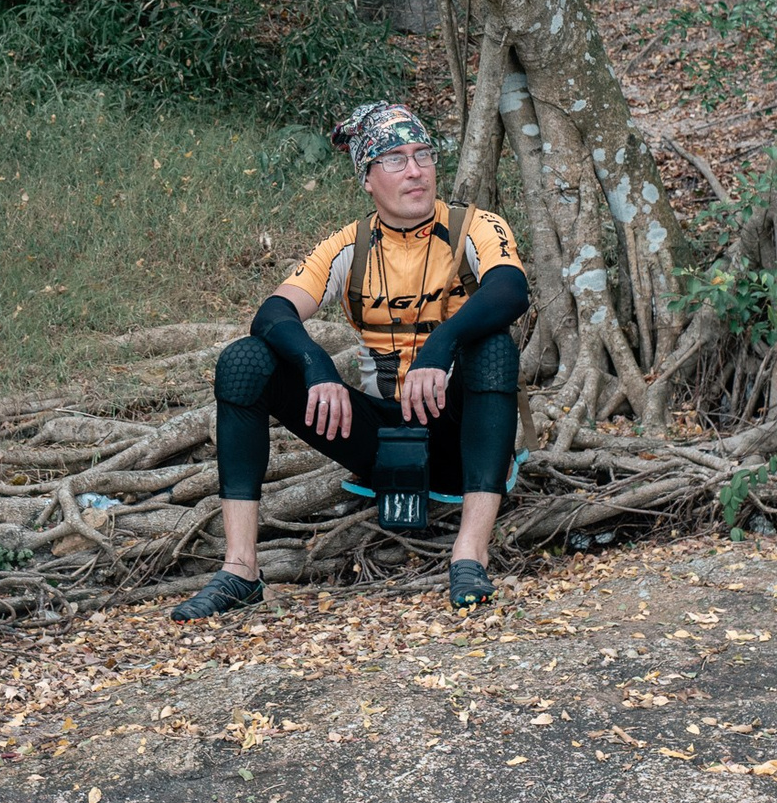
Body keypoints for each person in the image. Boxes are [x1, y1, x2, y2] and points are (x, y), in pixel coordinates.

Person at [174, 101, 529, 621]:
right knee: (244, 362)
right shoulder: (350, 244)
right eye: (394, 160)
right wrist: (317, 367)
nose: (415, 171)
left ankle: (469, 557)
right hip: (382, 442)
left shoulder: (475, 226)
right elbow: (273, 312)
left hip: (461, 435)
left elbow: (510, 288)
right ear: (367, 177)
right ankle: (240, 569)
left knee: (494, 349)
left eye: (423, 155)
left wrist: (442, 344)